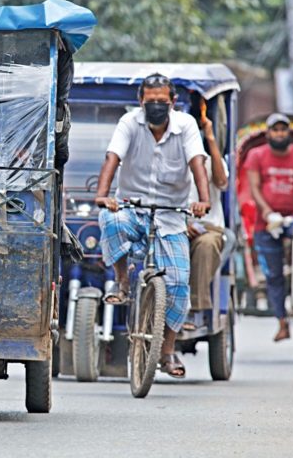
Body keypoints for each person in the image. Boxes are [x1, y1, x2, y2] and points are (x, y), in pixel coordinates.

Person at [95, 73, 210, 378]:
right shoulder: (129, 123)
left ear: (173, 102)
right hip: (132, 209)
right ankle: (121, 282)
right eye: (151, 101)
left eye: (162, 101)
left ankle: (167, 353)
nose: (156, 106)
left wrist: (203, 199)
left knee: (177, 285)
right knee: (110, 219)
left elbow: (197, 162)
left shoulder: (186, 126)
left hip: (171, 216)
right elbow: (112, 157)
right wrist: (103, 195)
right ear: (140, 101)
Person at [245, 113, 293, 342]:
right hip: (267, 222)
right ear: (268, 133)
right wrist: (267, 212)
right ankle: (282, 322)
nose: (280, 133)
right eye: (275, 130)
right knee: (274, 276)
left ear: (288, 133)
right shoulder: (256, 155)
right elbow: (254, 187)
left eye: (283, 130)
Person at [184, 104, 228, 331]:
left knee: (207, 244)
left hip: (208, 229)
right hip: (172, 224)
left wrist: (211, 138)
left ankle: (194, 308)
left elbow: (222, 182)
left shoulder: (209, 162)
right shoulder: (169, 159)